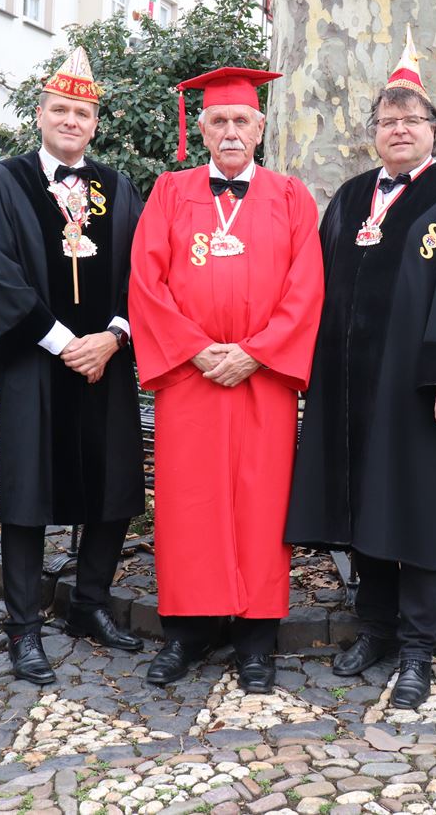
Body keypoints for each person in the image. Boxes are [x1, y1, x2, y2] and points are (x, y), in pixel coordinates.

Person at [285, 30, 436, 709]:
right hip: (350, 386)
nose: (400, 130)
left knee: (416, 512)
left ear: (434, 129)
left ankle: (416, 648)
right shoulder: (350, 196)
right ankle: (375, 629)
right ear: (374, 133)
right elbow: (317, 285)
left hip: (418, 389)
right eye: (388, 121)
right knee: (365, 509)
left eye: (413, 119)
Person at [128, 67, 323, 692]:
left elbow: (307, 286)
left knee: (262, 504)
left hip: (263, 378)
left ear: (260, 129)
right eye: (219, 121)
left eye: (242, 120)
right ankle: (187, 632)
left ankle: (256, 640)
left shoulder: (291, 196)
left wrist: (257, 353)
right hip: (191, 377)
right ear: (202, 130)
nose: (231, 131)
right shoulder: (170, 192)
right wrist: (196, 350)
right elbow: (146, 280)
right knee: (190, 503)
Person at [0, 48, 145, 685]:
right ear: (40, 115)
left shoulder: (118, 188)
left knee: (113, 487)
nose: (71, 120)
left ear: (95, 123)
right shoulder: (4, 181)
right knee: (26, 494)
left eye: (83, 112)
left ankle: (89, 605)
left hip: (107, 362)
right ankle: (23, 626)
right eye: (61, 109)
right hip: (35, 365)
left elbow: (144, 273)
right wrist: (62, 341)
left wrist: (113, 337)